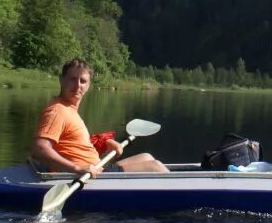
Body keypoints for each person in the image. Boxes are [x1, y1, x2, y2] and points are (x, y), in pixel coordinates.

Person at [29, 58, 168, 174]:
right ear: (61, 80)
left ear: (88, 85)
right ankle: (187, 204)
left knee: (147, 157)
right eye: (72, 79)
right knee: (156, 167)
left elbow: (71, 142)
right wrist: (76, 168)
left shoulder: (69, 109)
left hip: (96, 169)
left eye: (83, 81)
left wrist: (104, 143)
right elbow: (39, 149)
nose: (78, 86)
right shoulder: (57, 111)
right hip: (84, 176)